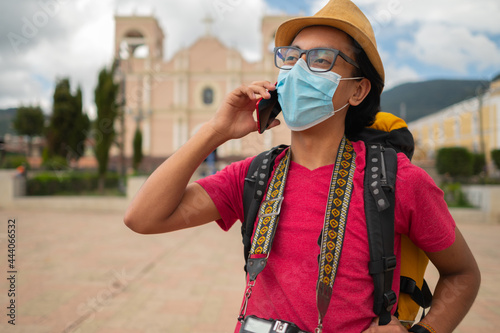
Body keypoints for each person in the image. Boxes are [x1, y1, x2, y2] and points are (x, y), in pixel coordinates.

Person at [124, 0, 481, 332]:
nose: (299, 70)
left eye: (321, 59)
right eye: (291, 57)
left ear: (357, 91)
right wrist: (214, 132)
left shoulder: (395, 179)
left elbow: (463, 274)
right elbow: (142, 218)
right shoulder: (254, 175)